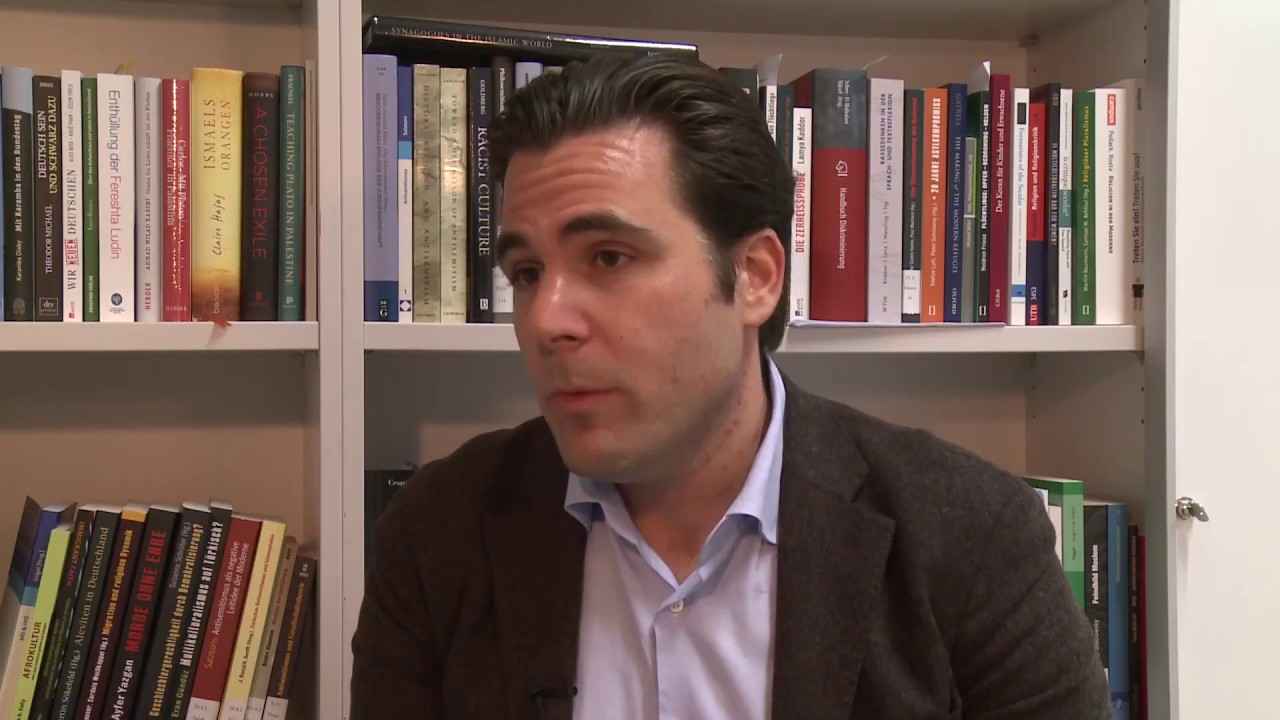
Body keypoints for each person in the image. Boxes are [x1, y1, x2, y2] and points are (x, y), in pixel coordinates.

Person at [349, 51, 1111, 720]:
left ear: (755, 277)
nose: (548, 320)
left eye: (609, 258)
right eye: (526, 273)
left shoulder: (970, 535)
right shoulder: (437, 533)